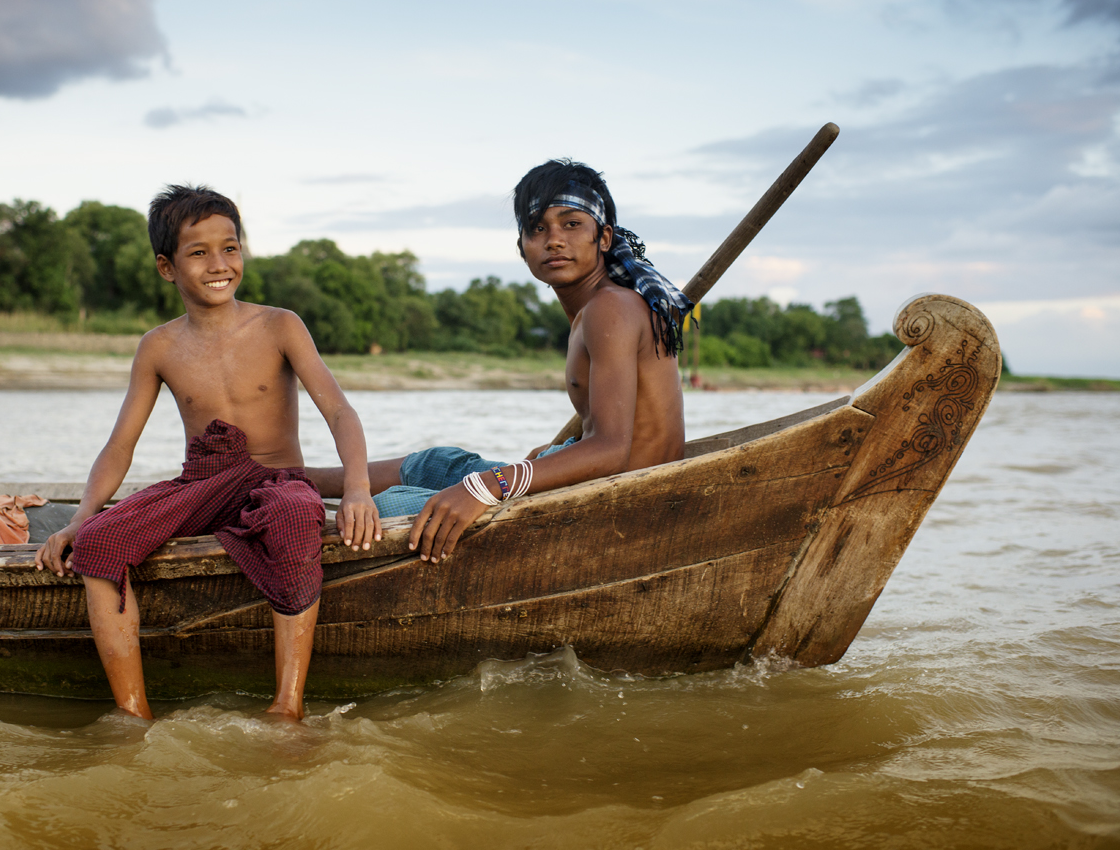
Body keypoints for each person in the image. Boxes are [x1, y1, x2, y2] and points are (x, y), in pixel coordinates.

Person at [35, 185, 381, 722]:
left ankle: (287, 705)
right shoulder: (160, 346)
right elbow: (120, 445)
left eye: (231, 247)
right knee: (100, 543)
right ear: (167, 267)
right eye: (198, 253)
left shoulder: (279, 325)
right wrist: (82, 516)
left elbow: (339, 411)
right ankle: (132, 713)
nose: (219, 264)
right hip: (203, 482)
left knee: (295, 513)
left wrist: (358, 488)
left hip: (274, 480)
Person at [309, 159, 692, 563]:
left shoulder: (609, 309)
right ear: (521, 246)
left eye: (572, 224)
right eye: (537, 228)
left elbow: (613, 449)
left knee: (390, 509)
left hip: (618, 500)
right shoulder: (597, 307)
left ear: (604, 237)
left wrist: (487, 487)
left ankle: (292, 506)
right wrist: (557, 450)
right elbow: (614, 427)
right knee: (435, 463)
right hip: (597, 480)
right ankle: (296, 480)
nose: (554, 240)